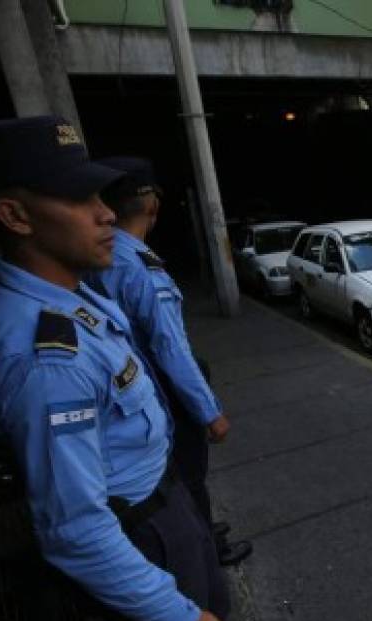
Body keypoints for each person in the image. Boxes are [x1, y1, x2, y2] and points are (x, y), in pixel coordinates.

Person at [0, 116, 288, 621]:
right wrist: (172, 615)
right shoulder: (45, 361)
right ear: (14, 214)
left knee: (213, 607)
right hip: (137, 525)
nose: (106, 214)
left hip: (163, 495)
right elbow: (72, 529)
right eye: (79, 200)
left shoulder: (70, 296)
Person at [89, 156, 252, 567]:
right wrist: (208, 410)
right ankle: (207, 551)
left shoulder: (102, 257)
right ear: (152, 204)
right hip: (164, 393)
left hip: (134, 391)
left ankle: (203, 532)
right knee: (189, 477)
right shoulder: (140, 267)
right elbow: (170, 348)